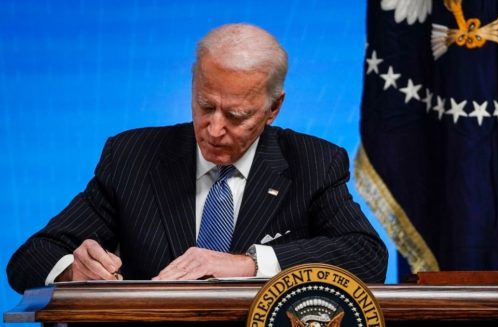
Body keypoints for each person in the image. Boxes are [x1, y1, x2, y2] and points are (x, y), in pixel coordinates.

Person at [7, 23, 388, 294]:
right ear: (193, 84)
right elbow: (30, 257)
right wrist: (75, 270)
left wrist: (250, 264)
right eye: (205, 105)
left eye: (236, 115)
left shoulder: (312, 162)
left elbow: (367, 256)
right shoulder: (132, 157)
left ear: (274, 109)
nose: (214, 128)